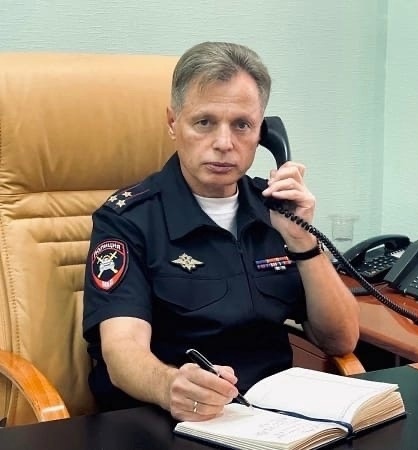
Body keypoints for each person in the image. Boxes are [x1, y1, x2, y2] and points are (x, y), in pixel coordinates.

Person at [82, 41, 360, 422]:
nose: (224, 143)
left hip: (272, 421)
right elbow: (122, 351)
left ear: (263, 132)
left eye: (242, 125)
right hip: (167, 419)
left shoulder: (275, 210)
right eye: (204, 122)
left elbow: (341, 339)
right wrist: (170, 386)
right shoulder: (128, 219)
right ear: (172, 123)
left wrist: (303, 241)